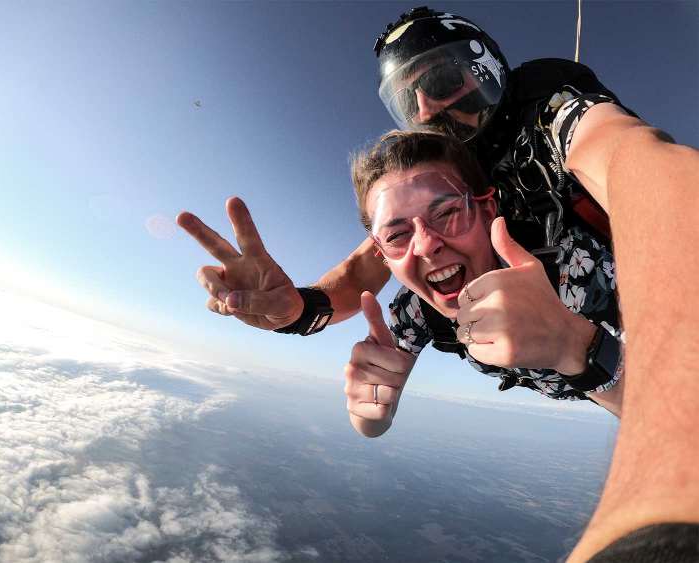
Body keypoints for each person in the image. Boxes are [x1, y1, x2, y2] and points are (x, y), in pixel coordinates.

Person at [178, 7, 635, 399]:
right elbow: (364, 270)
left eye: (440, 80)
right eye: (407, 102)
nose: (426, 110)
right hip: (601, 376)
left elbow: (629, 153)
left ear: (485, 68)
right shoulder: (433, 197)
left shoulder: (553, 116)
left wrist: (580, 350)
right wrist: (299, 310)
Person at [343, 129, 623, 439]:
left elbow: (663, 403)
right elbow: (375, 419)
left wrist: (572, 345)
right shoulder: (417, 310)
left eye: (447, 213)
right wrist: (370, 408)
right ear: (383, 256)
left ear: (488, 212)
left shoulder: (575, 269)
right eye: (396, 236)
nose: (425, 246)